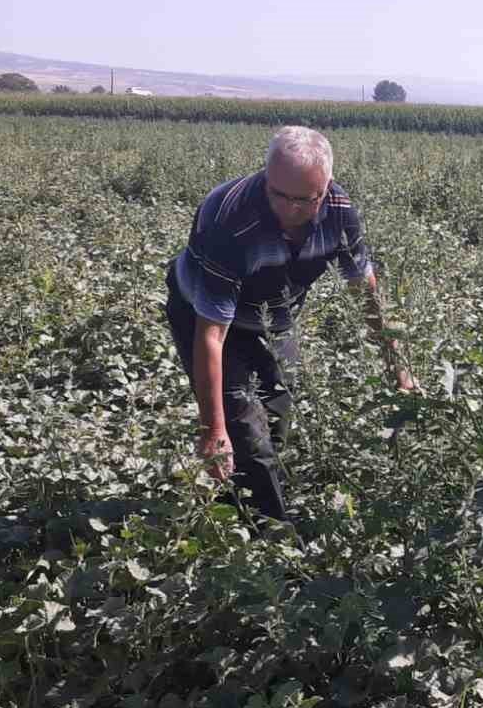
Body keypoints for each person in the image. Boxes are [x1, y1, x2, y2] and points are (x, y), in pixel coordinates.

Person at [165, 125, 414, 521]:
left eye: (305, 200)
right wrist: (212, 429)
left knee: (277, 410)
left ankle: (237, 496)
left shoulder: (340, 212)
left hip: (274, 315)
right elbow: (211, 334)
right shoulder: (229, 220)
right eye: (278, 195)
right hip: (204, 314)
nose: (290, 209)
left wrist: (398, 367)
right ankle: (269, 541)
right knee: (243, 429)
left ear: (325, 187)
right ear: (267, 178)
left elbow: (365, 291)